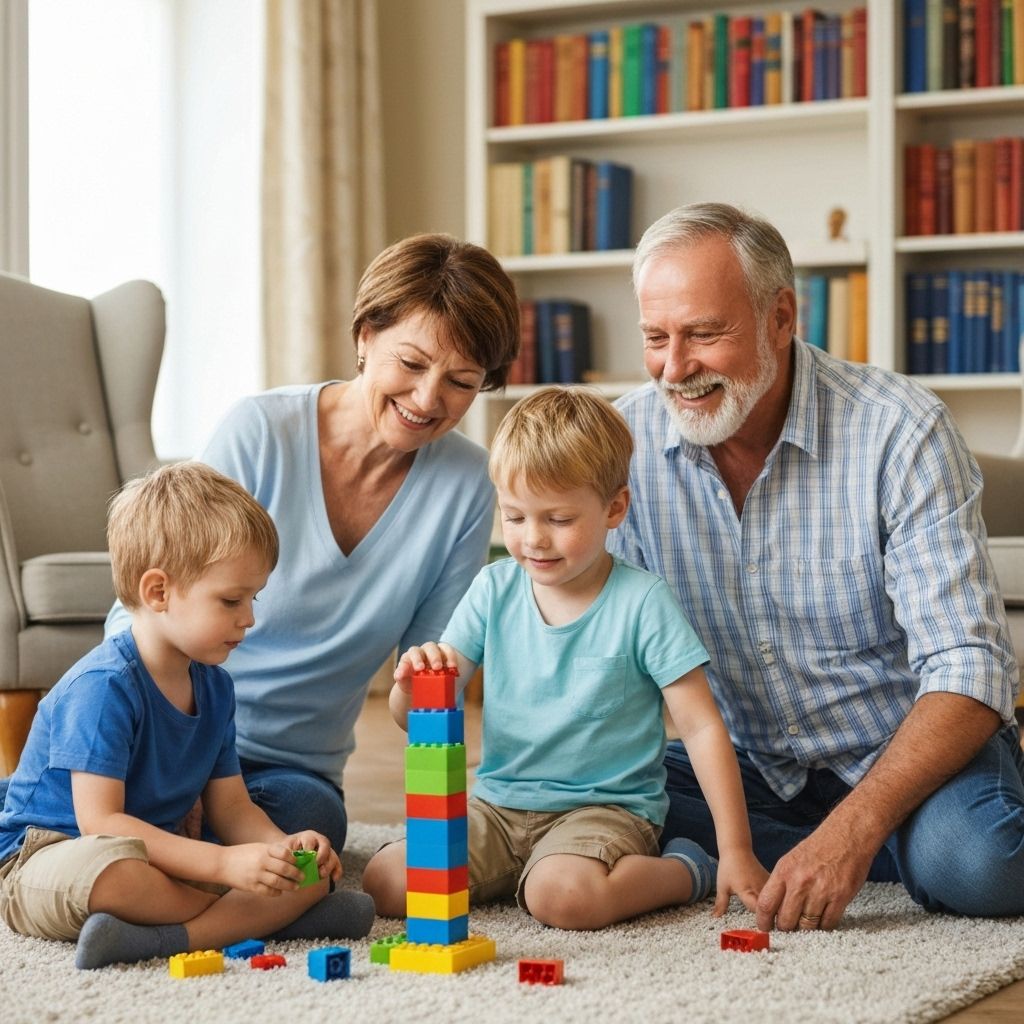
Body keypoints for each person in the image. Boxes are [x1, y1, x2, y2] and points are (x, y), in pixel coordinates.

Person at [608, 201, 1024, 932]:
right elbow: (601, 654)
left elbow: (970, 664)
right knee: (579, 810)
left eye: (705, 334)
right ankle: (842, 855)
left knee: (982, 865)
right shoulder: (621, 446)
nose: (675, 369)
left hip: (903, 762)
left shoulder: (900, 428)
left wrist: (855, 827)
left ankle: (880, 843)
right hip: (742, 772)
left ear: (780, 317)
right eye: (655, 338)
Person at [102, 234, 521, 853]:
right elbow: (142, 610)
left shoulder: (466, 487)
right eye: (410, 364)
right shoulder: (262, 432)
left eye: (460, 381)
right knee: (108, 810)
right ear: (364, 337)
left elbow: (422, 697)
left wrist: (430, 682)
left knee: (307, 827)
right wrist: (174, 765)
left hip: (286, 770)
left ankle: (168, 872)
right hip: (170, 734)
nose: (428, 399)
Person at [362, 386, 768, 929]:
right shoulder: (493, 588)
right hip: (498, 807)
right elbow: (416, 719)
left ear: (614, 509)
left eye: (558, 519)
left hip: (604, 810)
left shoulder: (643, 602)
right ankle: (523, 870)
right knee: (387, 881)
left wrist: (735, 847)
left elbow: (700, 728)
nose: (534, 540)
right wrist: (409, 687)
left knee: (562, 898)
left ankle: (685, 867)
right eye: (515, 517)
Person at [0, 463, 374, 970]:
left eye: (253, 598)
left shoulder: (215, 687)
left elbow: (233, 810)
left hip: (161, 853)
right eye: (230, 600)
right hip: (50, 858)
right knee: (117, 873)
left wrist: (282, 847)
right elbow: (101, 823)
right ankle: (248, 922)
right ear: (158, 592)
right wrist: (224, 864)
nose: (249, 618)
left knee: (313, 871)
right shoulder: (103, 687)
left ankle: (175, 931)